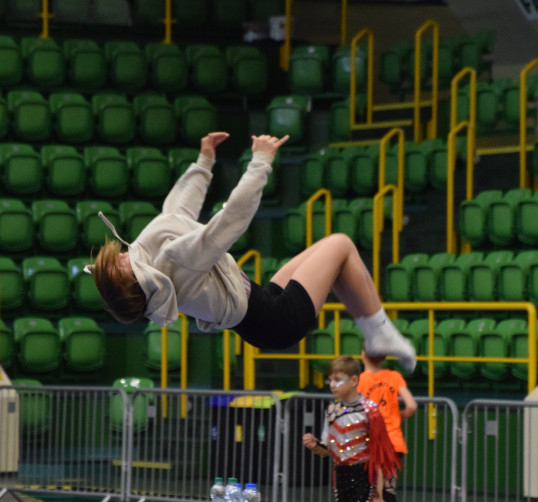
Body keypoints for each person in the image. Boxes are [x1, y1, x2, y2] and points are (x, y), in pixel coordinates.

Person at [88, 131, 415, 372]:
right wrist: (260, 162)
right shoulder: (173, 266)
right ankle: (378, 335)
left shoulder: (154, 261)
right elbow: (229, 221)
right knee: (341, 244)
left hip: (263, 307)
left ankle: (375, 334)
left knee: (331, 255)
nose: (119, 255)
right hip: (275, 320)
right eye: (118, 265)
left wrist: (204, 162)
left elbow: (175, 214)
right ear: (136, 279)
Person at [302, 355, 398, 502]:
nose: (332, 385)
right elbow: (327, 449)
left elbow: (384, 451)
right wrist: (314, 445)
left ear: (354, 380)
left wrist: (388, 488)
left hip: (363, 474)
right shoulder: (332, 411)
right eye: (330, 380)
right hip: (340, 474)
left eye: (337, 380)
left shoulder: (369, 410)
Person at [358, 349, 420, 502]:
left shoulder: (361, 381)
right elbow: (412, 405)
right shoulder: (394, 376)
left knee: (386, 499)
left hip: (378, 446)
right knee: (377, 497)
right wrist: (398, 416)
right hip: (396, 443)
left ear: (363, 354)